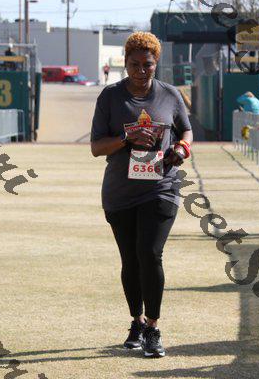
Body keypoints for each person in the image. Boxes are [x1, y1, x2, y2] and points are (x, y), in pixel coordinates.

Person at [90, 31, 193, 358]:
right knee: (131, 259)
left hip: (161, 187)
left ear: (156, 62)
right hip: (120, 192)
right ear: (125, 63)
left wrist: (182, 147)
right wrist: (126, 139)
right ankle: (136, 321)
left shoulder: (170, 95)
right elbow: (96, 147)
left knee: (150, 253)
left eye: (147, 64)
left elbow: (186, 128)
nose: (141, 70)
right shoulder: (110, 97)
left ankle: (153, 327)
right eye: (134, 64)